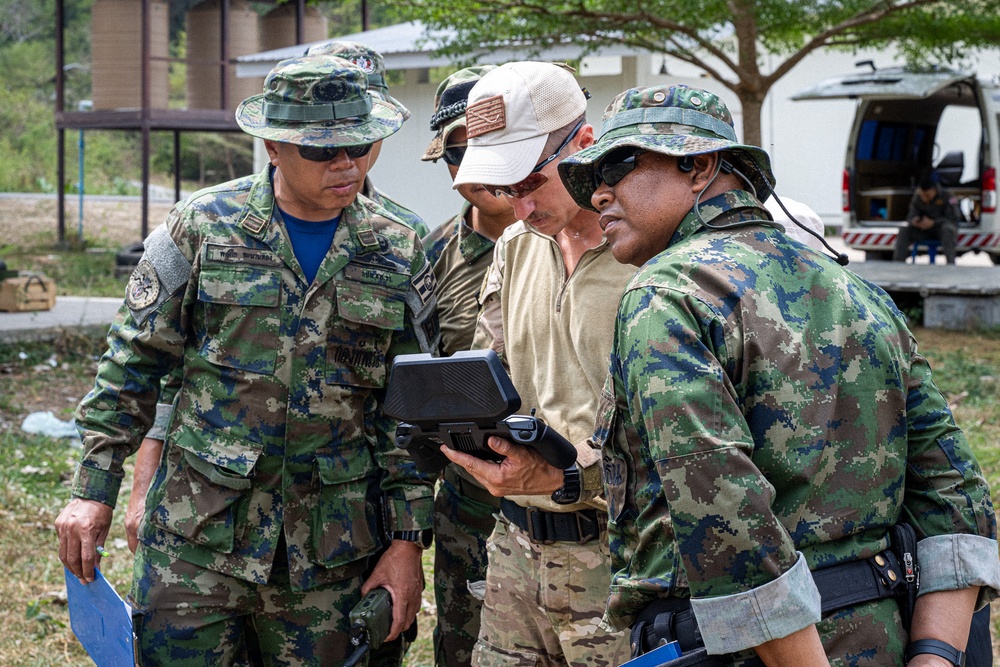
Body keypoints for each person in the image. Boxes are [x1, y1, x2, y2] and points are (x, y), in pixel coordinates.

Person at [557, 83, 1000, 665]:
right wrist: (935, 656)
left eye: (617, 165)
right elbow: (955, 494)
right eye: (590, 183)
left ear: (698, 166)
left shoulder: (668, 294)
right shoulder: (856, 289)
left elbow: (725, 514)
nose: (600, 196)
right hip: (882, 636)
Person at [55, 55, 439, 666]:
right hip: (197, 543)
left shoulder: (401, 247)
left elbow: (410, 413)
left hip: (335, 555)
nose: (348, 164)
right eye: (324, 151)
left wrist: (407, 543)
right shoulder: (203, 226)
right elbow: (133, 361)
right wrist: (94, 489)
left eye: (362, 144)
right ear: (273, 145)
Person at [442, 61, 632, 666]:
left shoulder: (651, 255)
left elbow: (686, 439)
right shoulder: (517, 248)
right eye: (505, 190)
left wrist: (571, 477)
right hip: (515, 553)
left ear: (584, 144)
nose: (517, 209)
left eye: (529, 184)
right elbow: (490, 378)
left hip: (624, 564)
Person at [418, 65, 518, 667]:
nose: (479, 167)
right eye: (460, 154)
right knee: (466, 647)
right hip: (471, 502)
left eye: (494, 147)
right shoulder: (428, 258)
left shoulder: (592, 243)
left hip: (579, 496)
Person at [306, 40, 430, 237]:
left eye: (367, 125)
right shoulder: (240, 214)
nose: (352, 139)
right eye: (335, 124)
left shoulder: (407, 230)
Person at [892, 175, 960, 264]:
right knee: (904, 230)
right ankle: (898, 263)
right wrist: (914, 221)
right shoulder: (917, 198)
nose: (925, 198)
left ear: (934, 190)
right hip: (923, 230)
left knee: (948, 229)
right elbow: (910, 216)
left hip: (940, 230)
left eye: (927, 195)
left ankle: (951, 263)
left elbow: (954, 218)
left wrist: (934, 223)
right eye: (922, 195)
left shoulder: (947, 196)